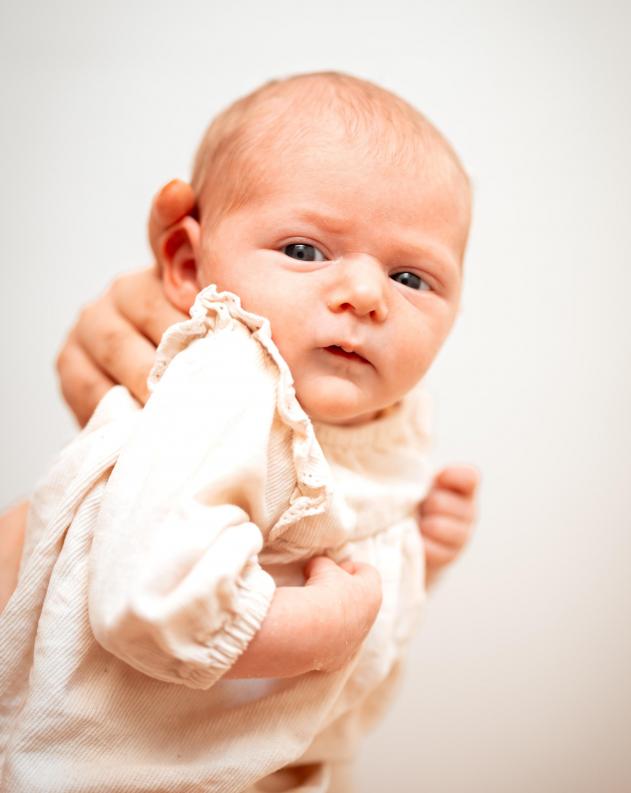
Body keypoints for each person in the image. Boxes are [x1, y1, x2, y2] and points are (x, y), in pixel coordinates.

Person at [0, 72, 478, 792]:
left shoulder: (390, 420)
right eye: (305, 251)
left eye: (411, 278)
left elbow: (323, 552)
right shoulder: (229, 378)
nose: (367, 295)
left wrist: (415, 551)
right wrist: (317, 629)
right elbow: (151, 599)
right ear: (187, 264)